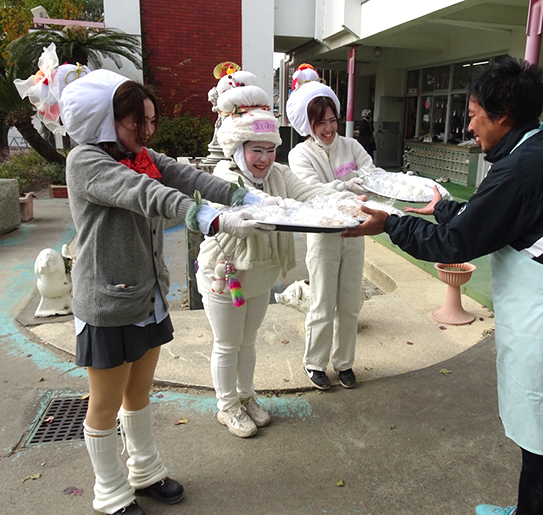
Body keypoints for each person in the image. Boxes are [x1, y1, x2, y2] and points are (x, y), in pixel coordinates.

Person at [343, 57, 543, 515]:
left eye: (473, 112)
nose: (468, 123)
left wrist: (390, 224)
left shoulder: (521, 168)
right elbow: (498, 218)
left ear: (503, 116)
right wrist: (442, 207)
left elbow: (456, 242)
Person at [57, 69, 279, 515]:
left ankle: (145, 470)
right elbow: (148, 193)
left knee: (139, 391)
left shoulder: (139, 153)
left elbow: (186, 176)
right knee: (104, 404)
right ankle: (111, 492)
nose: (147, 130)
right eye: (138, 122)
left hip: (147, 294)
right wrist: (209, 219)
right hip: (107, 301)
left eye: (150, 121)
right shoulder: (86, 161)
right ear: (105, 120)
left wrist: (244, 198)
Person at [196, 68, 349, 438]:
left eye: (269, 150)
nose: (264, 159)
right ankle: (227, 406)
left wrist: (347, 196)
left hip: (261, 274)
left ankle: (246, 397)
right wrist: (286, 205)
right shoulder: (223, 177)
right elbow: (265, 207)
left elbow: (311, 193)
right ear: (237, 149)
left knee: (248, 342)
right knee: (228, 344)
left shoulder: (279, 174)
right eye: (255, 150)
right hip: (225, 274)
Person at [286, 67, 382, 390]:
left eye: (331, 120)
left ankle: (344, 363)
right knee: (323, 299)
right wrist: (348, 186)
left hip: (354, 231)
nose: (327, 128)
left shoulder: (351, 146)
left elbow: (370, 174)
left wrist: (352, 185)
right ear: (307, 125)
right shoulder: (300, 154)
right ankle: (315, 362)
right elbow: (313, 192)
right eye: (319, 122)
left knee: (350, 300)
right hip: (324, 234)